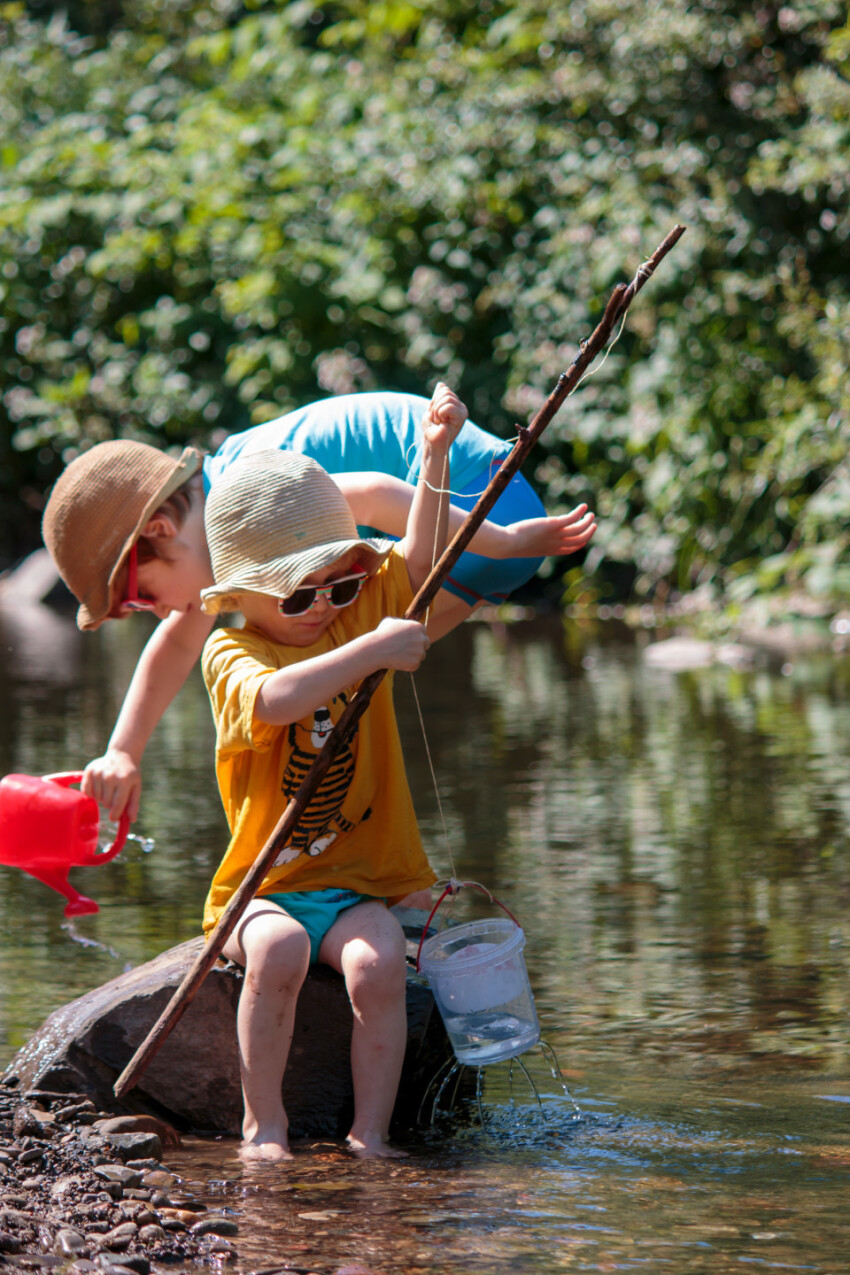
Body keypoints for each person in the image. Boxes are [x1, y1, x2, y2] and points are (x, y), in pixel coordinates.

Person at [42, 389, 596, 822]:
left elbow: (376, 493)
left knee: (333, 691)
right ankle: (357, 861)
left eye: (142, 597)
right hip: (476, 529)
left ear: (163, 530)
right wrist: (123, 752)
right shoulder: (220, 524)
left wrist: (504, 539)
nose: (160, 613)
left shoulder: (246, 488)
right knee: (349, 691)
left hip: (478, 499)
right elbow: (181, 640)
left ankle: (350, 866)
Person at [198, 383, 465, 1161]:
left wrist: (436, 453)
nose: (325, 605)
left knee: (380, 961)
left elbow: (418, 561)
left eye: (341, 584)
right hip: (265, 886)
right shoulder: (233, 650)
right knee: (277, 954)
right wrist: (371, 647)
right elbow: (277, 700)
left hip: (356, 882)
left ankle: (371, 1133)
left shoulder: (351, 611)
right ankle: (264, 1125)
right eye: (301, 592)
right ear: (244, 596)